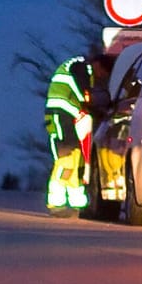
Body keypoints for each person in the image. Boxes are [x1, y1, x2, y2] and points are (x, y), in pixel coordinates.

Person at [44, 54, 95, 216]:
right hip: (61, 115)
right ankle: (56, 201)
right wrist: (92, 103)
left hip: (63, 115)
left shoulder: (74, 65)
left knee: (74, 157)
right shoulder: (81, 67)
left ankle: (76, 201)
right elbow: (83, 94)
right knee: (66, 158)